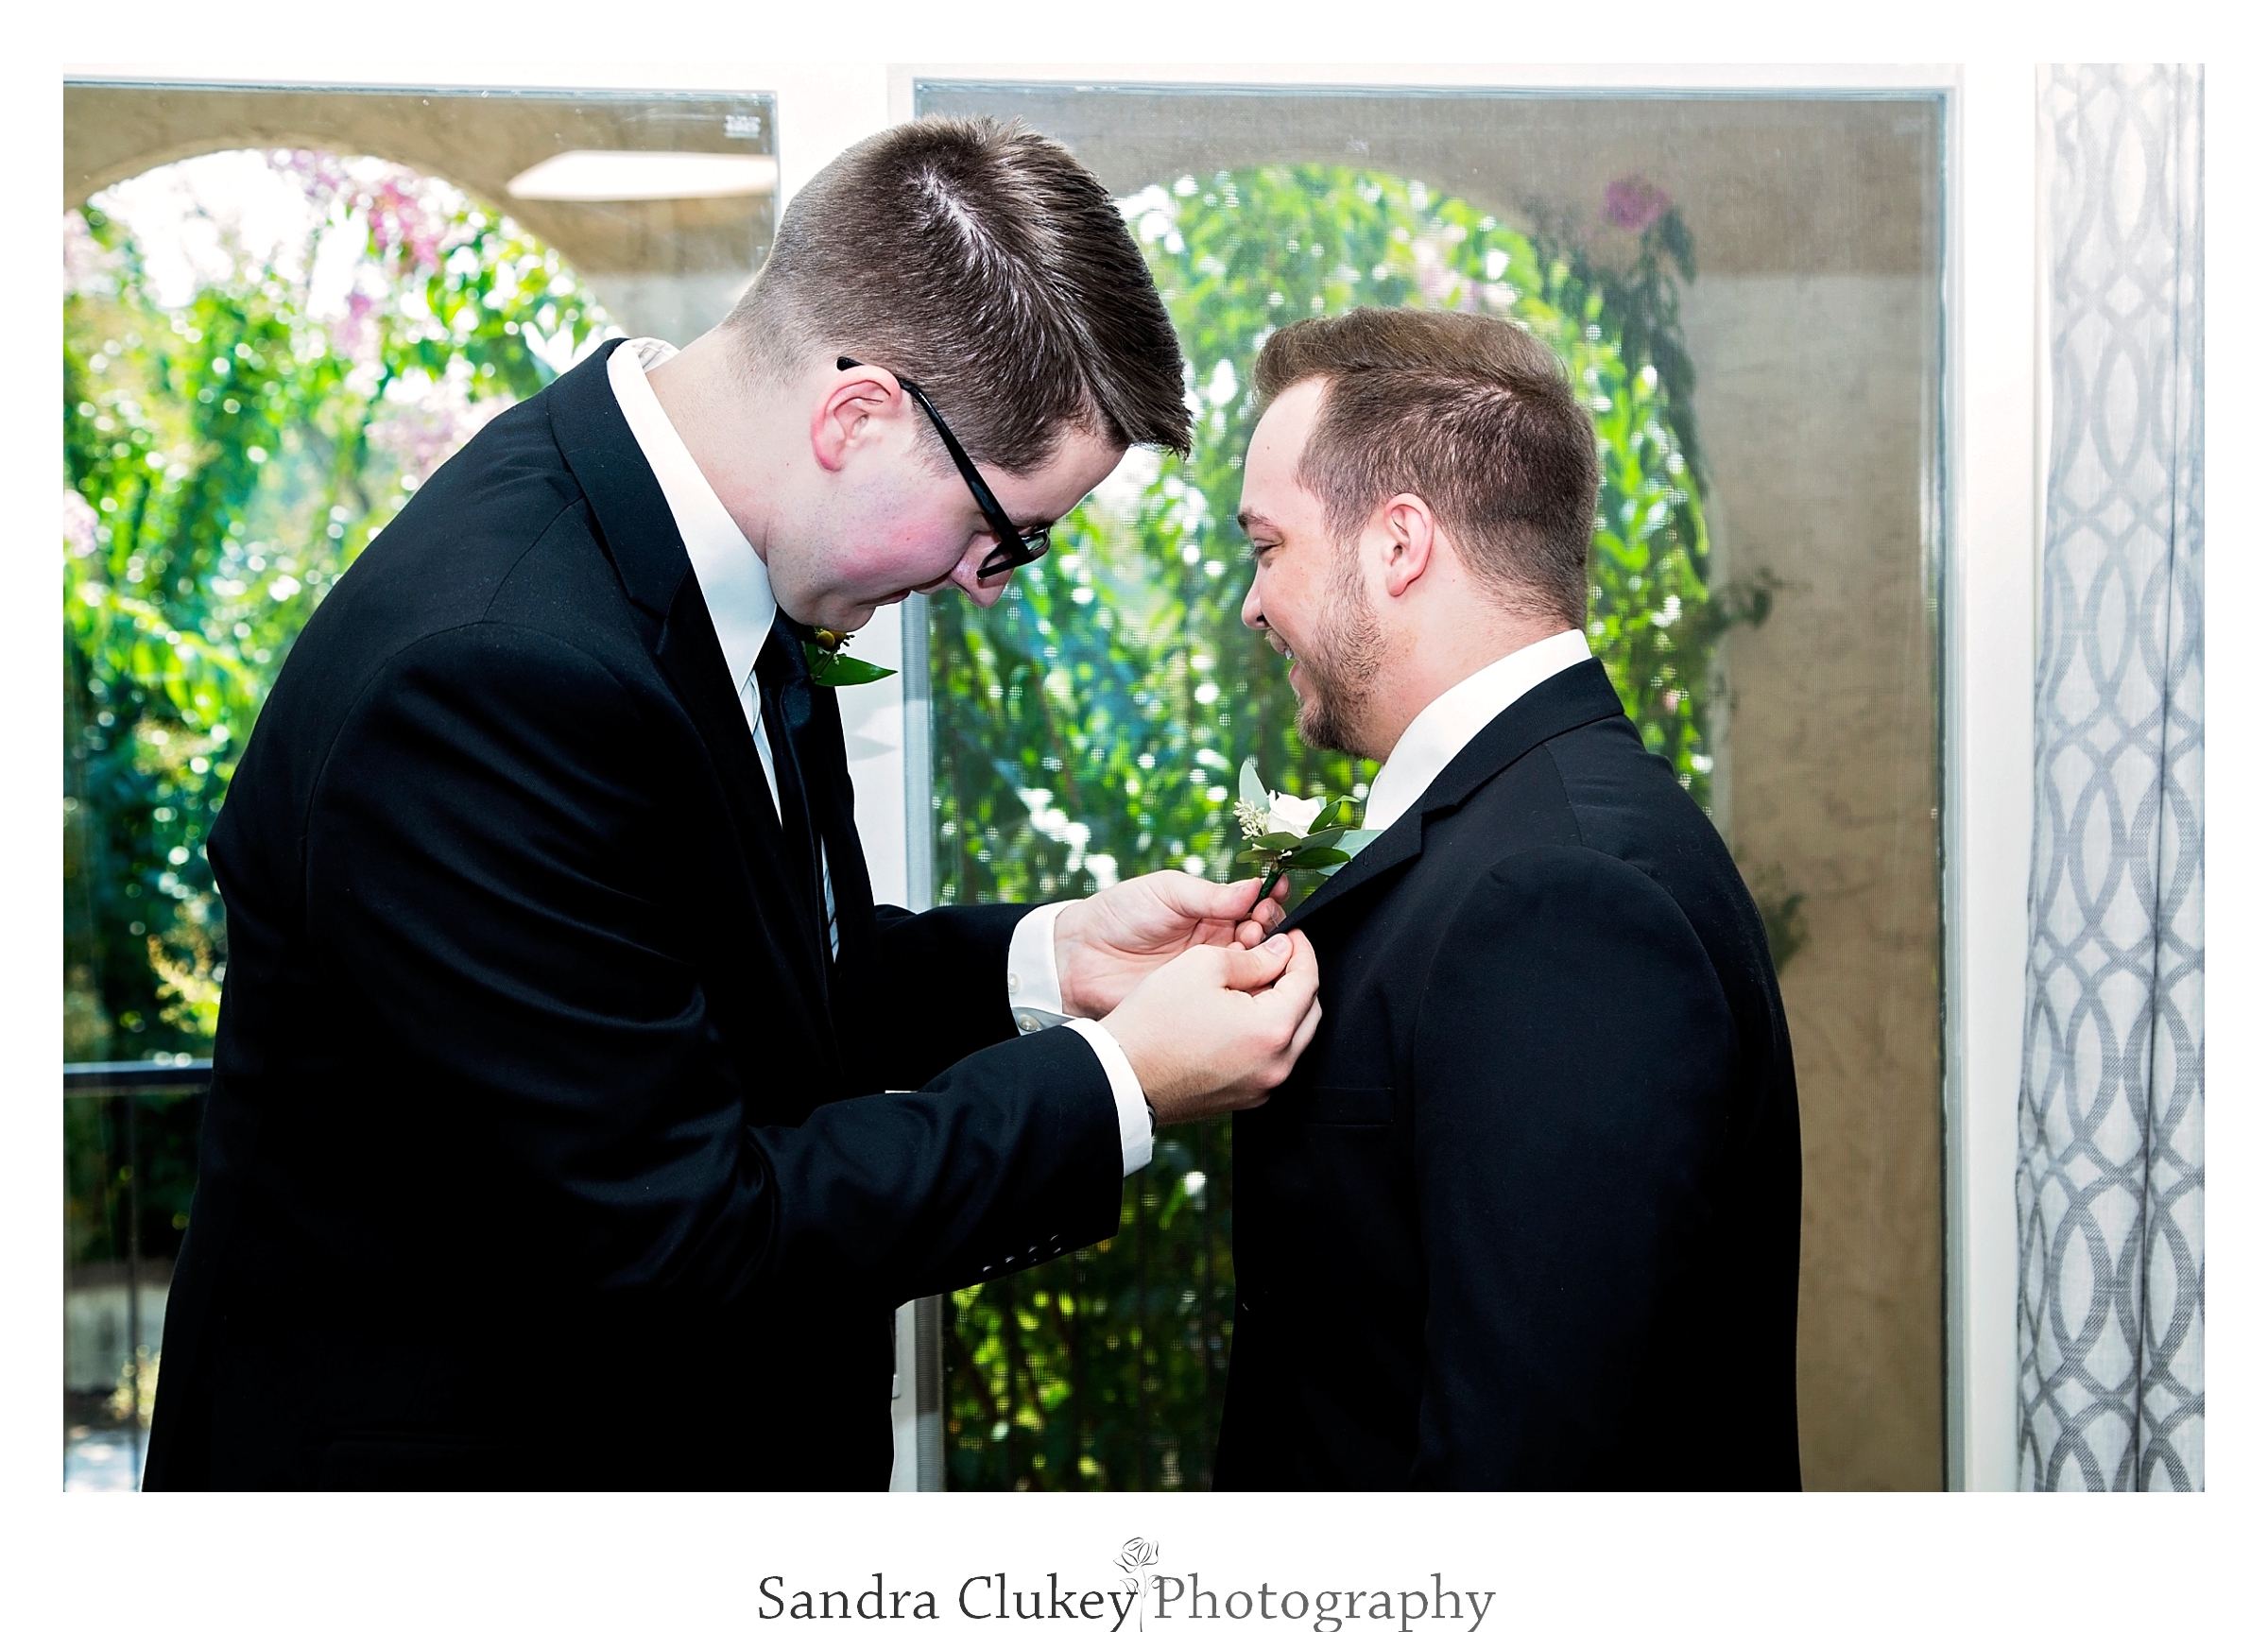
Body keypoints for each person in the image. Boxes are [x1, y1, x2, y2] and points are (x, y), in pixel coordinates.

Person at [144, 116, 1318, 1492]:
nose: (983, 581)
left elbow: (730, 979)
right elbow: (682, 1229)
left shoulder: (694, 556)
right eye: (1004, 529)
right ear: (859, 415)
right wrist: (1120, 1085)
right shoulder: (490, 671)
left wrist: (1048, 963)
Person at [1211, 307, 1800, 1490]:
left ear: (1399, 544)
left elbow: (1529, 1480)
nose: (1253, 602)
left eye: (1267, 546)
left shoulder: (1562, 899)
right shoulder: (1508, 833)